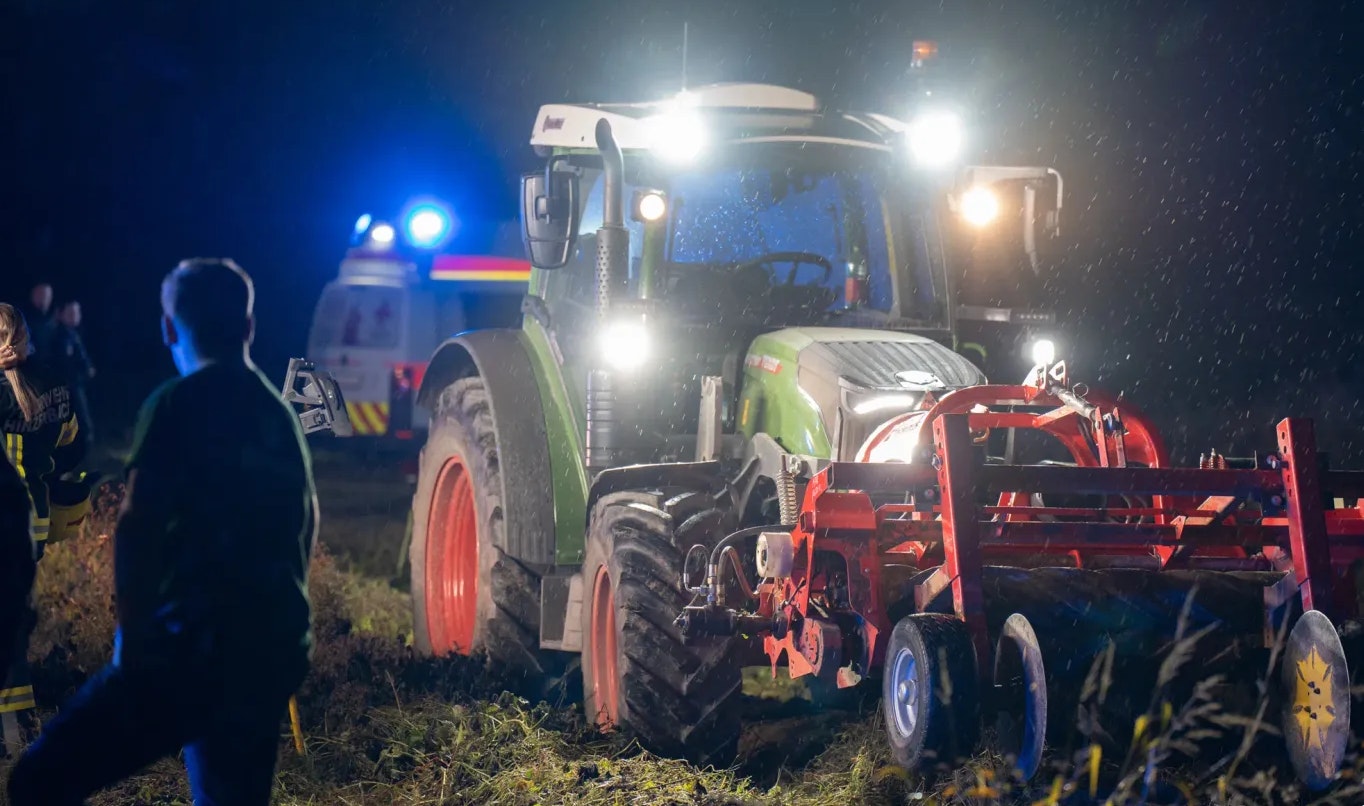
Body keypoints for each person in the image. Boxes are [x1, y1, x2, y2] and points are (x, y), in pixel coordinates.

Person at [7, 258, 319, 806]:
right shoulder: (277, 413)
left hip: (187, 652)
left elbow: (138, 524)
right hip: (267, 652)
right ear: (249, 328)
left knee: (38, 780)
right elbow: (304, 521)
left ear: (168, 328)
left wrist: (132, 647)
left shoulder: (177, 403)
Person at [0, 302, 83, 743]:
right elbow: (73, 446)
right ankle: (17, 727)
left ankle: (12, 730)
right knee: (13, 620)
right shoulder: (55, 379)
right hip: (35, 520)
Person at [45, 299, 96, 455]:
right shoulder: (60, 336)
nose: (75, 316)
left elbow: (81, 357)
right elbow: (64, 363)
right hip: (67, 386)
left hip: (75, 384)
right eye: (71, 312)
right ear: (61, 315)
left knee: (75, 419)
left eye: (77, 312)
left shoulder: (73, 334)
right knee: (73, 419)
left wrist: (87, 368)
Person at [18, 283, 54, 368]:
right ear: (33, 295)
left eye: (47, 296)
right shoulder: (21, 317)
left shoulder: (53, 321)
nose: (44, 299)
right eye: (41, 295)